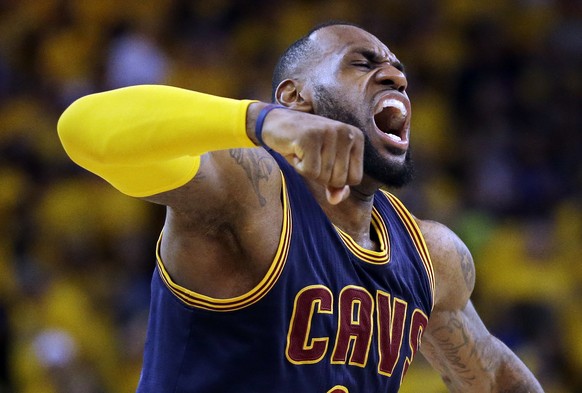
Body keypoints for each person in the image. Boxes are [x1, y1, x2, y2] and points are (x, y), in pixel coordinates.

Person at [57, 22, 543, 393]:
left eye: (398, 71)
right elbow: (79, 129)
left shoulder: (431, 255)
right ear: (296, 98)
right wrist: (261, 121)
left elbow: (496, 375)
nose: (395, 74)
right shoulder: (251, 192)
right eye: (362, 62)